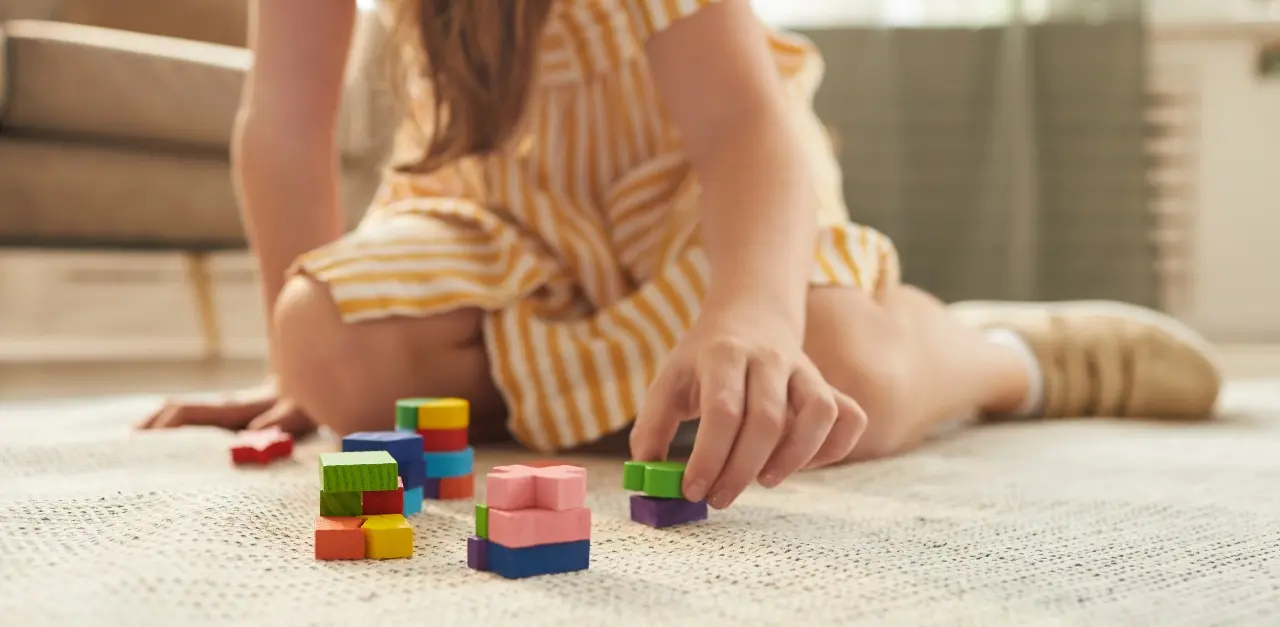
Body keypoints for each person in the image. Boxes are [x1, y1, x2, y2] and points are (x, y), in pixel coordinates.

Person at [140, 0, 1222, 510]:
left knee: (831, 369)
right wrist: (296, 371)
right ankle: (625, 379)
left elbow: (744, 129)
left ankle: (1000, 355)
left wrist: (751, 315)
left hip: (692, 196)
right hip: (495, 213)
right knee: (325, 340)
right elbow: (282, 125)